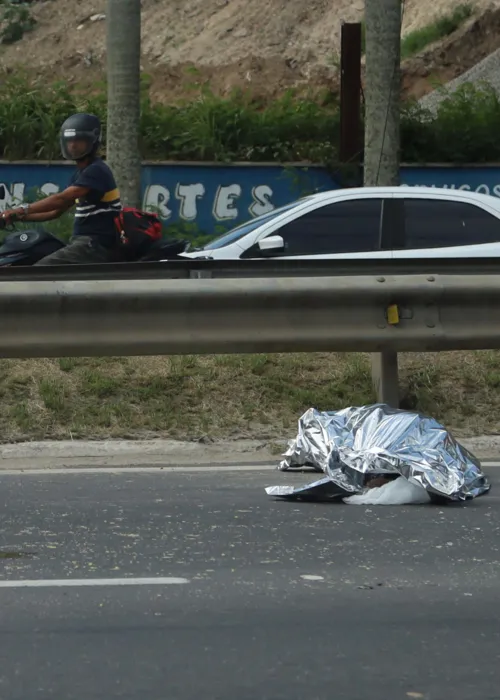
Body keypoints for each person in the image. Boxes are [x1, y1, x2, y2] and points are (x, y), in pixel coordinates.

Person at [1, 113, 123, 265]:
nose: (73, 145)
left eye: (79, 141)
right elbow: (54, 212)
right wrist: (15, 218)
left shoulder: (96, 170)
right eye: (70, 141)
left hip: (95, 243)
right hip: (84, 243)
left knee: (38, 272)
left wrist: (20, 210)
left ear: (93, 142)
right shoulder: (81, 174)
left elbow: (61, 199)